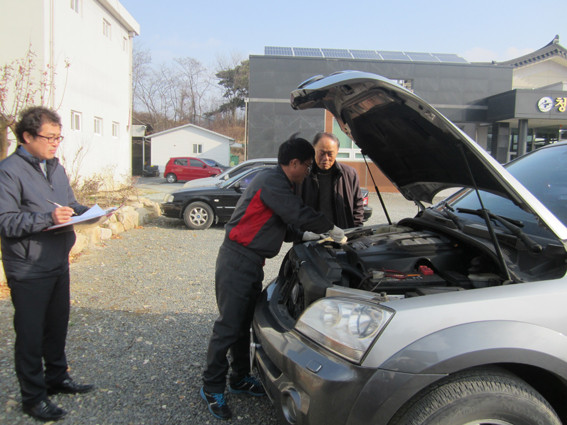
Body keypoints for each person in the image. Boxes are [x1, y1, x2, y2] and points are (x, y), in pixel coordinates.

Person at [200, 135, 345, 420]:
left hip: (250, 262)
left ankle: (239, 378)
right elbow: (296, 213)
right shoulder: (273, 182)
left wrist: (306, 235)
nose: (308, 171)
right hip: (237, 260)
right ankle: (211, 386)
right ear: (294, 163)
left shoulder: (279, 183)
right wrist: (329, 227)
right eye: (307, 165)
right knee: (228, 327)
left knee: (243, 324)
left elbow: (282, 224)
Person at [0, 106, 94, 422]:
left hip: (57, 261)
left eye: (58, 137)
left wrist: (89, 212)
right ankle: (33, 397)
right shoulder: (8, 171)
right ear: (27, 137)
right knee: (30, 334)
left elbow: (68, 205)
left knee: (57, 326)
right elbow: (5, 221)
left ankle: (57, 377)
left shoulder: (55, 167)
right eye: (49, 137)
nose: (55, 143)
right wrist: (47, 218)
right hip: (28, 267)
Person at [299, 132, 365, 228]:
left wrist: (356, 230)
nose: (325, 158)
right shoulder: (302, 175)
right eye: (321, 153)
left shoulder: (350, 174)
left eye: (330, 154)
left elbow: (358, 206)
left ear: (337, 151)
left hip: (342, 233)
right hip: (310, 234)